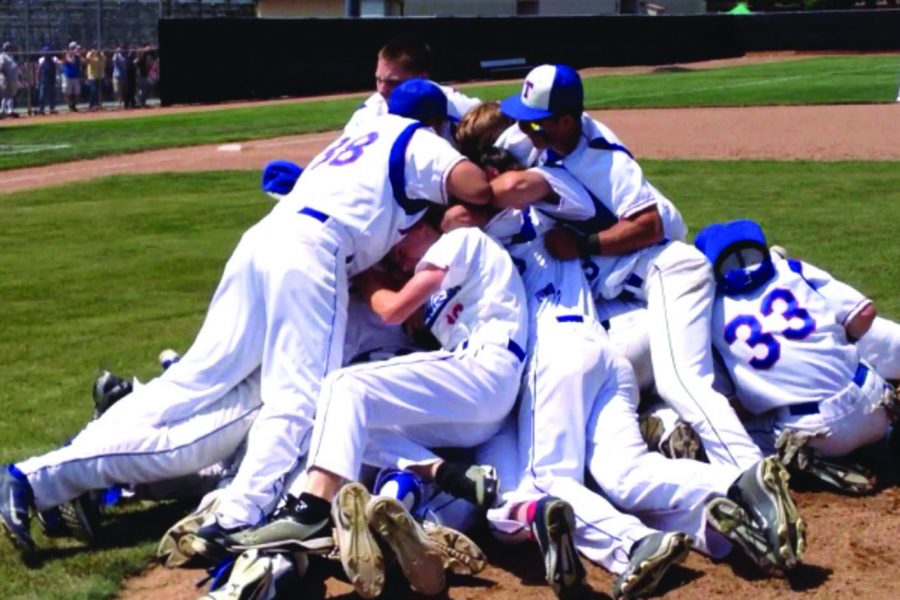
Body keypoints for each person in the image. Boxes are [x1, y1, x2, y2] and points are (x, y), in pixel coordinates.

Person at [0, 79, 492, 567]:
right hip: (313, 255)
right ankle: (238, 518)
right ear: (431, 121)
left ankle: (39, 474)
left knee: (191, 382)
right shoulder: (417, 137)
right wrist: (475, 198)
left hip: (267, 239)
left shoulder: (355, 138)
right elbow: (475, 184)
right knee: (296, 401)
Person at [696, 219, 899, 462]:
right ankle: (883, 438)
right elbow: (863, 315)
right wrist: (838, 343)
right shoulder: (791, 269)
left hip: (815, 433)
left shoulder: (707, 316)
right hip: (875, 404)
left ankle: (813, 463)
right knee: (859, 363)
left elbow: (733, 406)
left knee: (729, 436)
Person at [343, 36, 481, 143]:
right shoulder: (367, 116)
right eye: (378, 80)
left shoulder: (458, 108)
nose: (382, 90)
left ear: (422, 79)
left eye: (393, 82)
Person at [0, 42, 20, 118]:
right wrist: (5, 75)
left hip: (12, 78)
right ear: (5, 48)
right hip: (6, 78)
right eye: (8, 47)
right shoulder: (2, 56)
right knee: (5, 95)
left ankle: (10, 111)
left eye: (10, 47)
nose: (10, 48)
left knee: (11, 95)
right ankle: (2, 111)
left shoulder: (11, 56)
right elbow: (1, 67)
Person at [36, 46, 58, 115]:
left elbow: (58, 64)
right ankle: (41, 109)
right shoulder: (41, 60)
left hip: (51, 79)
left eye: (48, 51)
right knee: (42, 95)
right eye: (45, 52)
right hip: (43, 80)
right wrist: (37, 80)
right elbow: (38, 70)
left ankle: (52, 108)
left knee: (52, 95)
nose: (46, 53)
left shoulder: (54, 59)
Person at [61, 42, 82, 112]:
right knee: (68, 93)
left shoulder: (77, 56)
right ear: (71, 48)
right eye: (75, 48)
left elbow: (83, 61)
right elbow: (69, 61)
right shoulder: (67, 55)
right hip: (68, 76)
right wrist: (72, 54)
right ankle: (70, 106)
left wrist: (77, 55)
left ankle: (73, 105)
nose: (77, 50)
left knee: (76, 93)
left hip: (75, 76)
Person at [85, 44, 106, 110]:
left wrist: (99, 54)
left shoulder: (101, 55)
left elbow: (104, 60)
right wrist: (92, 53)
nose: (97, 50)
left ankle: (97, 105)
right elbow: (87, 60)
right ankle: (91, 105)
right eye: (95, 48)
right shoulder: (89, 54)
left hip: (99, 75)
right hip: (91, 76)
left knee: (98, 91)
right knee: (93, 90)